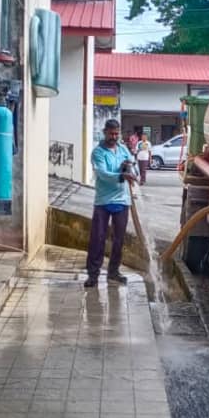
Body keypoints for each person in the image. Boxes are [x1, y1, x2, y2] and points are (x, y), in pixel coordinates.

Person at [85, 118, 135, 289]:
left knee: (119, 240)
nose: (114, 136)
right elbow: (102, 174)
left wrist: (130, 168)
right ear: (105, 132)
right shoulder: (98, 152)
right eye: (111, 133)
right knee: (97, 239)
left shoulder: (122, 149)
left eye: (116, 134)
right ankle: (93, 275)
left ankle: (113, 272)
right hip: (103, 201)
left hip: (122, 201)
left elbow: (132, 167)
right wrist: (121, 176)